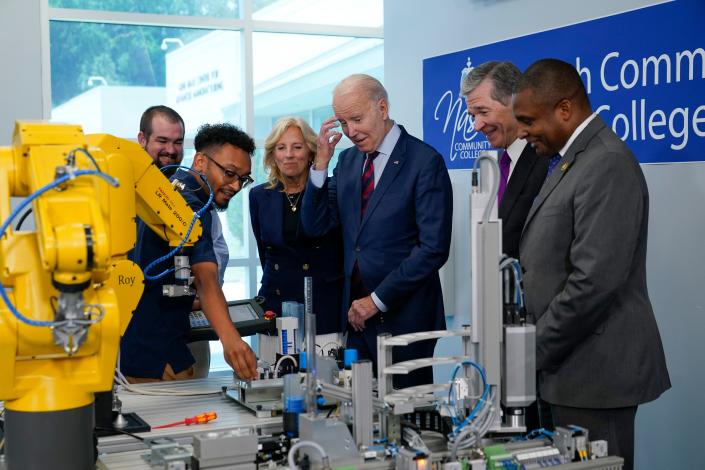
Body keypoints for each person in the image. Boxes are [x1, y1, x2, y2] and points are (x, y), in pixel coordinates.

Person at [513, 58, 671, 469]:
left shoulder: (607, 162)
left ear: (564, 109)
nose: (524, 132)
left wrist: (532, 351)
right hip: (564, 371)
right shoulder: (570, 159)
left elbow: (593, 282)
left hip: (595, 373)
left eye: (529, 121)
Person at [301, 74, 453, 388]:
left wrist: (376, 300)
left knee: (408, 421)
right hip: (357, 321)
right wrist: (320, 165)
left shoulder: (425, 162)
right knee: (360, 418)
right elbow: (314, 226)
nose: (350, 132)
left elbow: (433, 249)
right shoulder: (347, 161)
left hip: (406, 322)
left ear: (382, 108)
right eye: (342, 123)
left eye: (356, 119)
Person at [121, 123, 258, 382]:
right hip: (152, 352)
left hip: (147, 342)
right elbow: (206, 280)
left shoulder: (165, 188)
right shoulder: (191, 206)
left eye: (243, 178)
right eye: (229, 173)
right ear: (200, 162)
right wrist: (232, 342)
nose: (236, 186)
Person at [249, 117, 343, 339]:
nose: (289, 154)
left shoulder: (332, 189)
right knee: (276, 371)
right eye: (281, 148)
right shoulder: (260, 195)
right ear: (273, 155)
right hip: (276, 302)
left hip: (322, 305)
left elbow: (323, 233)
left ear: (311, 152)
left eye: (297, 147)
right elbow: (266, 253)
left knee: (324, 371)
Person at [462, 61, 548, 260]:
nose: (476, 126)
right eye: (472, 116)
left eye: (483, 112)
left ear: (515, 102)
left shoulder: (546, 161)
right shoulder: (495, 166)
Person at [138, 105, 185, 177]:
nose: (171, 150)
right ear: (142, 140)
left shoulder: (187, 186)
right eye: (162, 141)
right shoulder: (123, 180)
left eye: (178, 142)